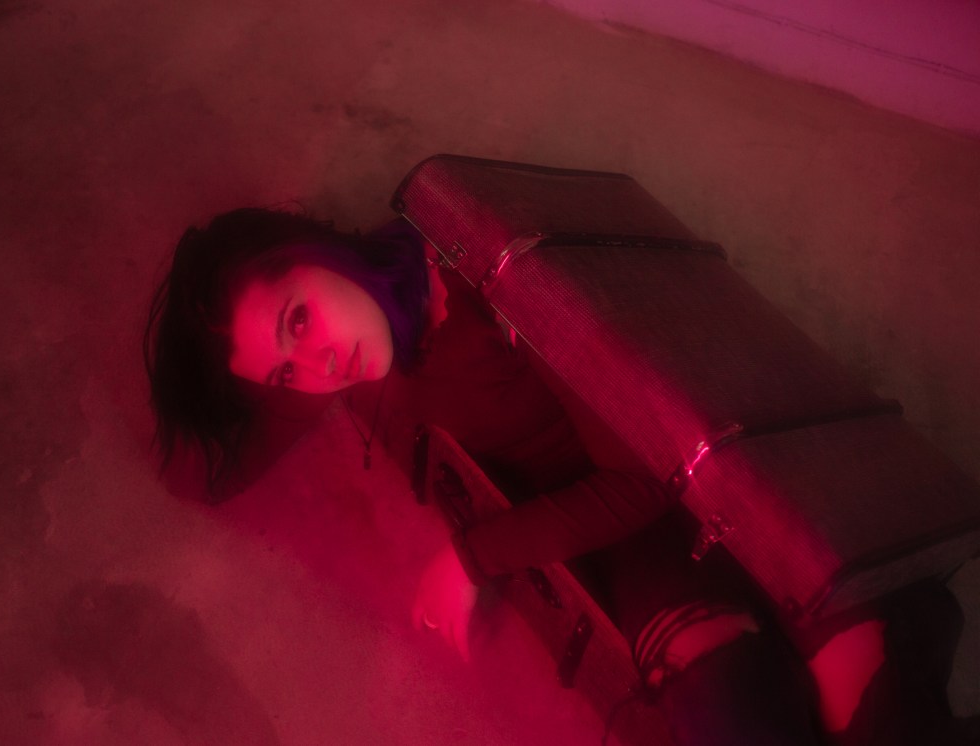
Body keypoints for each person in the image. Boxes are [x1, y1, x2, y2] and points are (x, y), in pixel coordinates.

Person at [144, 207, 970, 745]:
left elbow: (645, 477)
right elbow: (204, 470)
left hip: (717, 476)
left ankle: (898, 632)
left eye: (299, 320)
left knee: (871, 709)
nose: (321, 365)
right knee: (729, 714)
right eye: (286, 375)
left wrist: (472, 557)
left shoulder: (486, 287)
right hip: (644, 546)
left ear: (316, 254)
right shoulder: (369, 347)